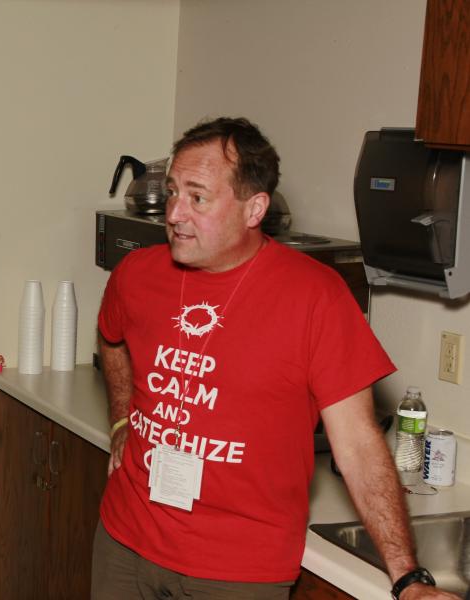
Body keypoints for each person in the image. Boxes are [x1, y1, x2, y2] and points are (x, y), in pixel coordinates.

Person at [92, 117, 458, 600]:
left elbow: (358, 446)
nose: (175, 213)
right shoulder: (138, 272)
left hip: (236, 571)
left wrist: (407, 578)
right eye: (174, 192)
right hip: (124, 541)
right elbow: (111, 338)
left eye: (198, 198)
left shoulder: (316, 296)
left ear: (254, 209)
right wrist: (122, 419)